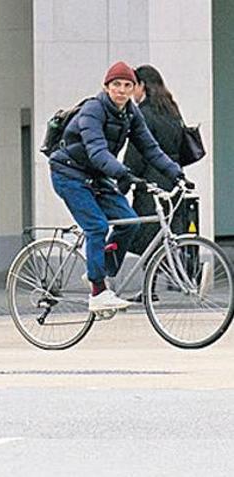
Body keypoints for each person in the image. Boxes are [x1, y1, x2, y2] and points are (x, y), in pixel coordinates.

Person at [48, 61, 189, 312]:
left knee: (130, 221)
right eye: (116, 85)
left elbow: (150, 148)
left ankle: (100, 271)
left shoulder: (131, 113)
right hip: (68, 173)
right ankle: (98, 292)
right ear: (106, 86)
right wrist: (123, 173)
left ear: (135, 87)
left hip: (95, 175)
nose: (122, 90)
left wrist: (177, 174)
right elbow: (96, 150)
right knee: (97, 226)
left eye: (127, 85)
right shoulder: (94, 110)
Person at [123, 65, 190, 256]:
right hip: (172, 180)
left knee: (142, 239)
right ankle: (180, 277)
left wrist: (123, 182)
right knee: (170, 234)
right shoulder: (171, 110)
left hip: (151, 185)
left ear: (142, 85)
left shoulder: (142, 114)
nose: (131, 92)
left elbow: (135, 155)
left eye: (133, 85)